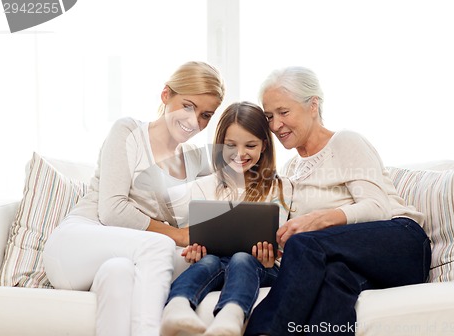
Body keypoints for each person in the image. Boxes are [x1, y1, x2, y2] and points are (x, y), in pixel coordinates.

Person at [244, 66, 431, 335]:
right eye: (269, 116)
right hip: (352, 261)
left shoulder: (344, 142)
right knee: (332, 280)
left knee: (306, 243)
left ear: (313, 105)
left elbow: (377, 207)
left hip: (402, 244)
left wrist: (317, 220)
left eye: (284, 112)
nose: (275, 125)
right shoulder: (290, 170)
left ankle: (264, 331)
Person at [42, 61, 225, 336]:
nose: (194, 121)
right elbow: (113, 211)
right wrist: (178, 235)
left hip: (116, 259)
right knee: (160, 245)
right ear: (166, 95)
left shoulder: (192, 163)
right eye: (188, 106)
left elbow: (241, 159)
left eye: (205, 115)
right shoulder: (128, 131)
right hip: (75, 244)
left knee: (119, 275)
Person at [161, 102, 292, 336]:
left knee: (242, 259)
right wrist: (193, 249)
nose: (240, 154)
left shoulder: (280, 187)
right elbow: (190, 235)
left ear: (264, 146)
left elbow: (279, 237)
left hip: (261, 267)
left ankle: (230, 318)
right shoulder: (203, 186)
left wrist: (270, 254)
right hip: (214, 263)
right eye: (231, 145)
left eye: (250, 145)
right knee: (209, 261)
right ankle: (177, 307)